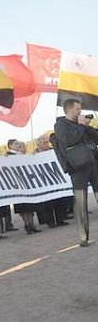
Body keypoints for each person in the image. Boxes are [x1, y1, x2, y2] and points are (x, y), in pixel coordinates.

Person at [54, 98, 98, 247]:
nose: (80, 111)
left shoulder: (82, 123)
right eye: (77, 109)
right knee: (81, 202)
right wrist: (80, 126)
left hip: (93, 163)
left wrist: (87, 126)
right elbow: (68, 140)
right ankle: (83, 237)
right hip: (78, 167)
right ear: (68, 110)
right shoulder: (60, 125)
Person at [7, 139, 41, 234]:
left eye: (18, 143)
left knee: (30, 206)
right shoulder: (9, 155)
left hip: (27, 184)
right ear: (10, 145)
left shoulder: (22, 155)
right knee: (24, 207)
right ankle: (27, 225)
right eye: (15, 144)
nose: (18, 145)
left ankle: (32, 224)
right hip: (18, 185)